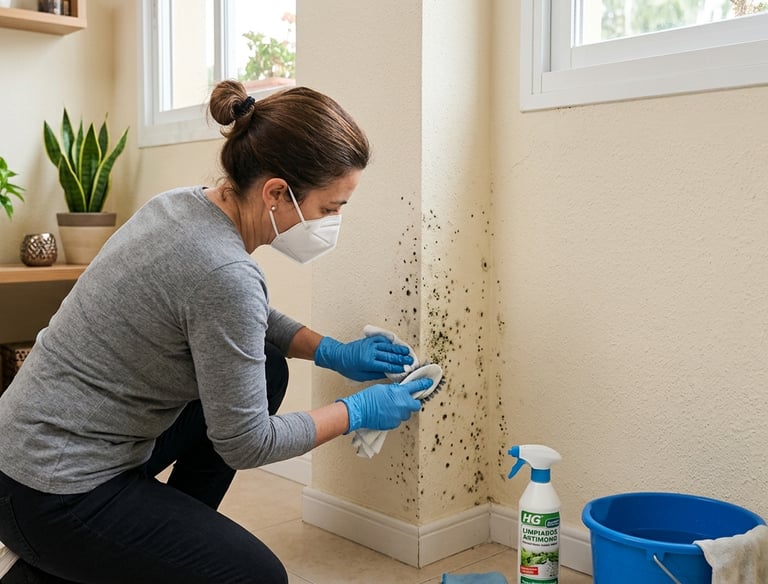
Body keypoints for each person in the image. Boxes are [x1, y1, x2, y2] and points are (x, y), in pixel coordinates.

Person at [0, 80, 433, 584]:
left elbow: (239, 320)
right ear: (276, 192)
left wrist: (330, 352)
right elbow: (247, 444)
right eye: (329, 208)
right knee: (257, 578)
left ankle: (149, 551)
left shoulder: (181, 206)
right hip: (52, 490)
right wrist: (357, 410)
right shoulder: (225, 272)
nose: (332, 222)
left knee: (267, 366)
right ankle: (100, 557)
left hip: (24, 450)